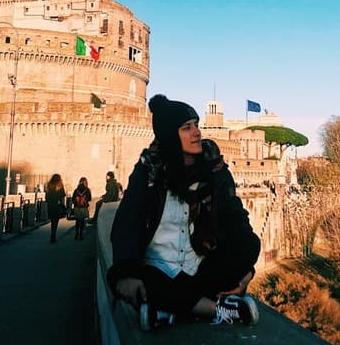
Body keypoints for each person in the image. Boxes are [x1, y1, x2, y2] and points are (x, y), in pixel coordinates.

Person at [107, 94, 261, 330]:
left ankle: (169, 310)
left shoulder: (214, 170)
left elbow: (237, 221)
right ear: (170, 135)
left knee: (249, 244)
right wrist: (126, 272)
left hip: (199, 267)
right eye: (187, 128)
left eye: (197, 125)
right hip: (157, 268)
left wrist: (245, 274)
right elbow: (127, 223)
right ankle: (219, 309)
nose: (197, 132)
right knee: (139, 282)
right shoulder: (148, 173)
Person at [45, 174, 66, 243]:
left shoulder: (48, 186)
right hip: (57, 205)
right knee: (55, 221)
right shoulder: (60, 186)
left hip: (50, 206)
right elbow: (62, 197)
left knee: (52, 220)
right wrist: (63, 205)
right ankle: (53, 234)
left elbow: (46, 198)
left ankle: (52, 234)